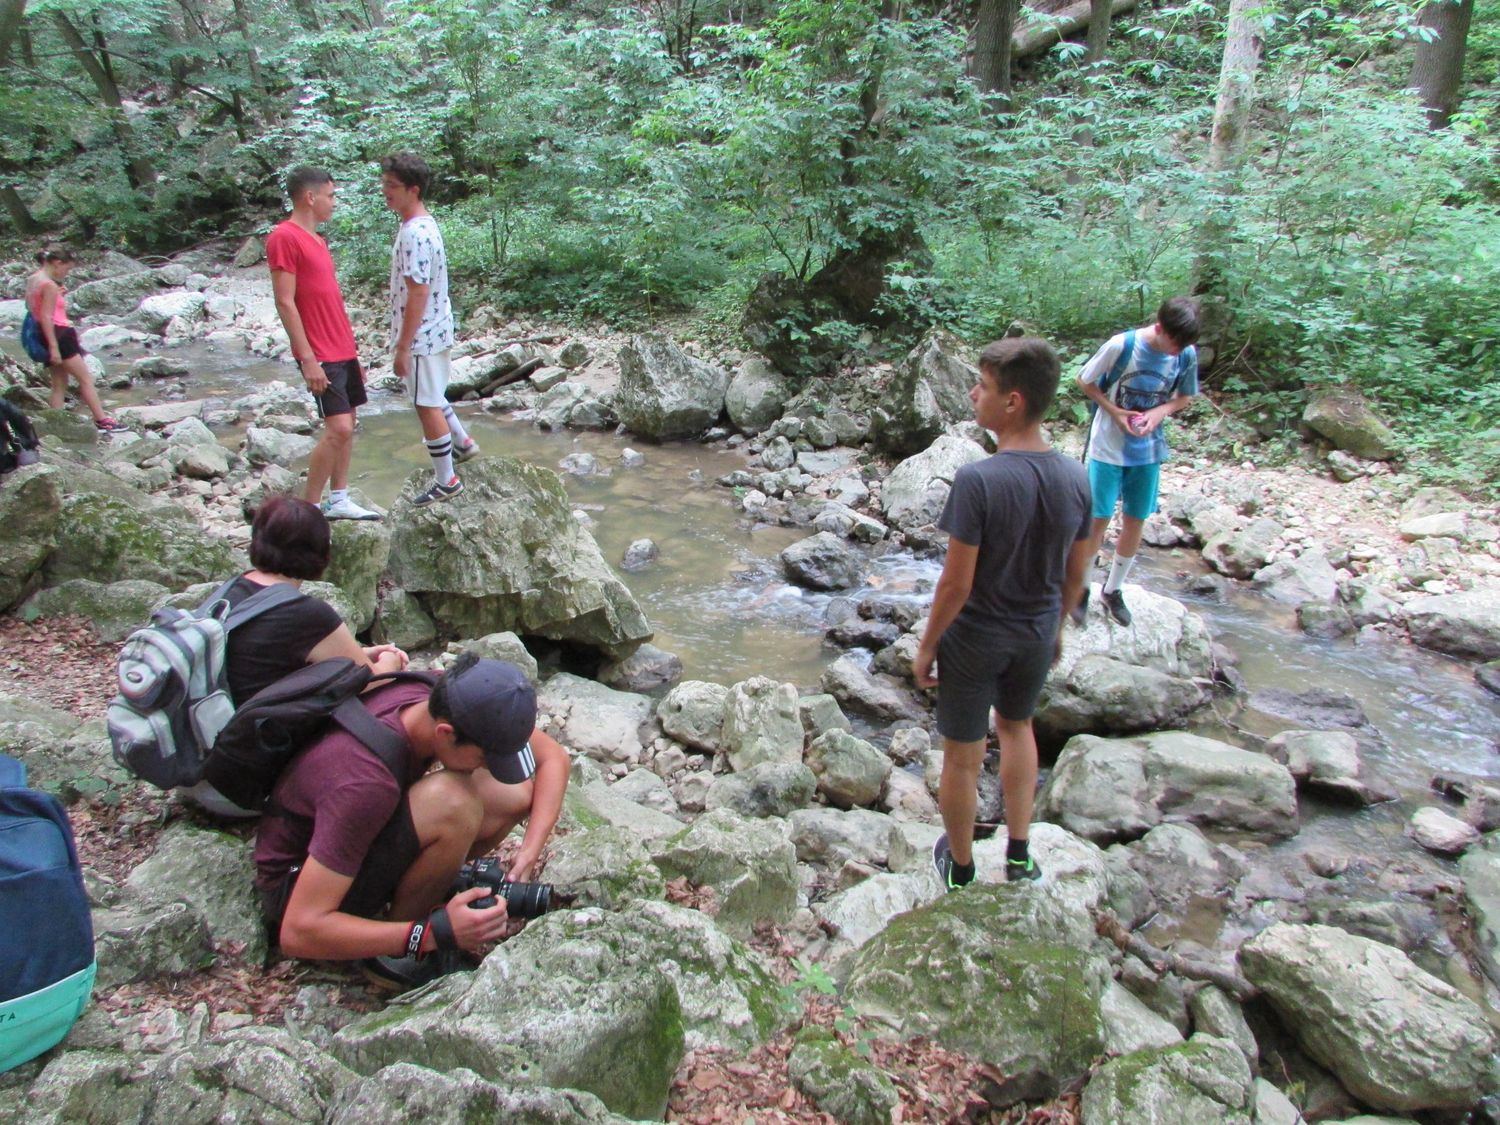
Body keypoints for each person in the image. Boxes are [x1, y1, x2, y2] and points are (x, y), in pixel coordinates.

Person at [253, 650, 569, 990]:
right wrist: (432, 934)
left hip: (349, 837)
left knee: (514, 793)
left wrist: (529, 852)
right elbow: (298, 932)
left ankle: (425, 887)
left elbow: (553, 757)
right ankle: (394, 952)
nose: (486, 767)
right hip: (298, 885)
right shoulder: (365, 782)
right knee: (454, 802)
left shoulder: (444, 697)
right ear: (446, 734)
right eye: (484, 758)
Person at [914, 337, 1093, 890]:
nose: (973, 394)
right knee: (1017, 728)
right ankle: (1019, 854)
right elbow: (1076, 575)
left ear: (1012, 401)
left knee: (962, 756)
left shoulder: (979, 480)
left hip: (976, 637)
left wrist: (927, 646)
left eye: (983, 386)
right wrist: (1056, 628)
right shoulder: (1077, 478)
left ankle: (961, 868)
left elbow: (956, 584)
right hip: (1036, 631)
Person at [181, 495, 409, 817]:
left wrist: (360, 653)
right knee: (392, 702)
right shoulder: (306, 613)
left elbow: (264, 662)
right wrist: (393, 660)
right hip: (239, 789)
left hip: (192, 770)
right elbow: (372, 680)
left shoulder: (231, 592)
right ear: (320, 553)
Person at [1074, 297, 1200, 627]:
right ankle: (1081, 588)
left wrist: (1159, 412)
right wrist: (1114, 411)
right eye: (1174, 344)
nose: (1177, 351)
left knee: (1135, 519)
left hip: (1148, 450)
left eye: (1182, 346)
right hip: (1107, 447)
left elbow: (1184, 397)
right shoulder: (1122, 346)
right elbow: (1084, 380)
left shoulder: (1186, 353)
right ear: (1159, 328)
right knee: (1098, 518)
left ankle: (1113, 590)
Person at [266, 166, 379, 521]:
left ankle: (339, 498)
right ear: (309, 197)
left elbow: (329, 299)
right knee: (338, 428)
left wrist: (352, 354)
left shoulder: (318, 240)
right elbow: (285, 301)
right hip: (319, 350)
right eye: (330, 196)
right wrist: (307, 358)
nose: (334, 202)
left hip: (341, 347)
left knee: (349, 424)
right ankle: (310, 509)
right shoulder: (284, 237)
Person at [381, 153, 479, 506]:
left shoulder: (415, 233)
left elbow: (418, 292)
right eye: (384, 183)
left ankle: (446, 480)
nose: (385, 191)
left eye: (392, 186)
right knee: (433, 394)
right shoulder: (422, 224)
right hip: (436, 327)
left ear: (414, 189)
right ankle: (462, 443)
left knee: (425, 404)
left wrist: (403, 346)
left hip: (423, 335)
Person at [22, 249, 123, 433]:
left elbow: (32, 307)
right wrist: (54, 347)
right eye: (66, 269)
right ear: (57, 263)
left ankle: (56, 424)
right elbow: (47, 316)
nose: (66, 274)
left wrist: (57, 296)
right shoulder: (49, 285)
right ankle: (102, 420)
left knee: (59, 384)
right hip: (59, 335)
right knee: (85, 379)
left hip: (43, 334)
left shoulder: (34, 279)